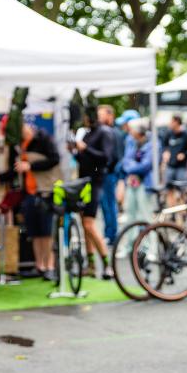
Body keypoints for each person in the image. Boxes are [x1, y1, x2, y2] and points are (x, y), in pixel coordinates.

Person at [10, 123, 60, 280]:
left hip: (46, 191)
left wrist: (31, 165)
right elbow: (16, 168)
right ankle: (40, 266)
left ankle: (50, 266)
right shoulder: (18, 145)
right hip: (29, 193)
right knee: (35, 233)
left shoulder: (44, 139)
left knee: (47, 232)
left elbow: (54, 159)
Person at [74, 109, 115, 279]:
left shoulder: (104, 133)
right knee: (85, 224)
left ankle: (107, 265)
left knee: (89, 224)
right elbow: (85, 157)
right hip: (85, 182)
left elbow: (106, 157)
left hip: (95, 182)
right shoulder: (89, 133)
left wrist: (85, 148)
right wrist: (78, 151)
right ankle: (91, 264)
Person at [122, 118, 155, 234]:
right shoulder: (131, 141)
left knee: (145, 216)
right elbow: (125, 161)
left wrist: (132, 167)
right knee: (130, 215)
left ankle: (150, 248)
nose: (129, 131)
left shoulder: (153, 143)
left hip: (145, 184)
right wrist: (133, 166)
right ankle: (130, 246)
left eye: (131, 129)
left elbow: (146, 165)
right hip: (132, 183)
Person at [98, 104, 121, 246]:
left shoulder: (113, 133)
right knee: (106, 205)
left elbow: (116, 156)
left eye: (101, 115)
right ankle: (109, 233)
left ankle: (111, 234)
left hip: (109, 174)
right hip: (107, 174)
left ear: (110, 115)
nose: (99, 118)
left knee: (109, 204)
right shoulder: (108, 131)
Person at [162, 114, 187, 205]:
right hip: (170, 166)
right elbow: (165, 146)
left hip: (181, 167)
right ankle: (171, 212)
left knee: (182, 190)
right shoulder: (169, 133)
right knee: (169, 189)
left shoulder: (186, 134)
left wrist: (184, 154)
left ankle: (183, 213)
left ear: (177, 122)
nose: (170, 123)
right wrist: (166, 152)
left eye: (172, 121)